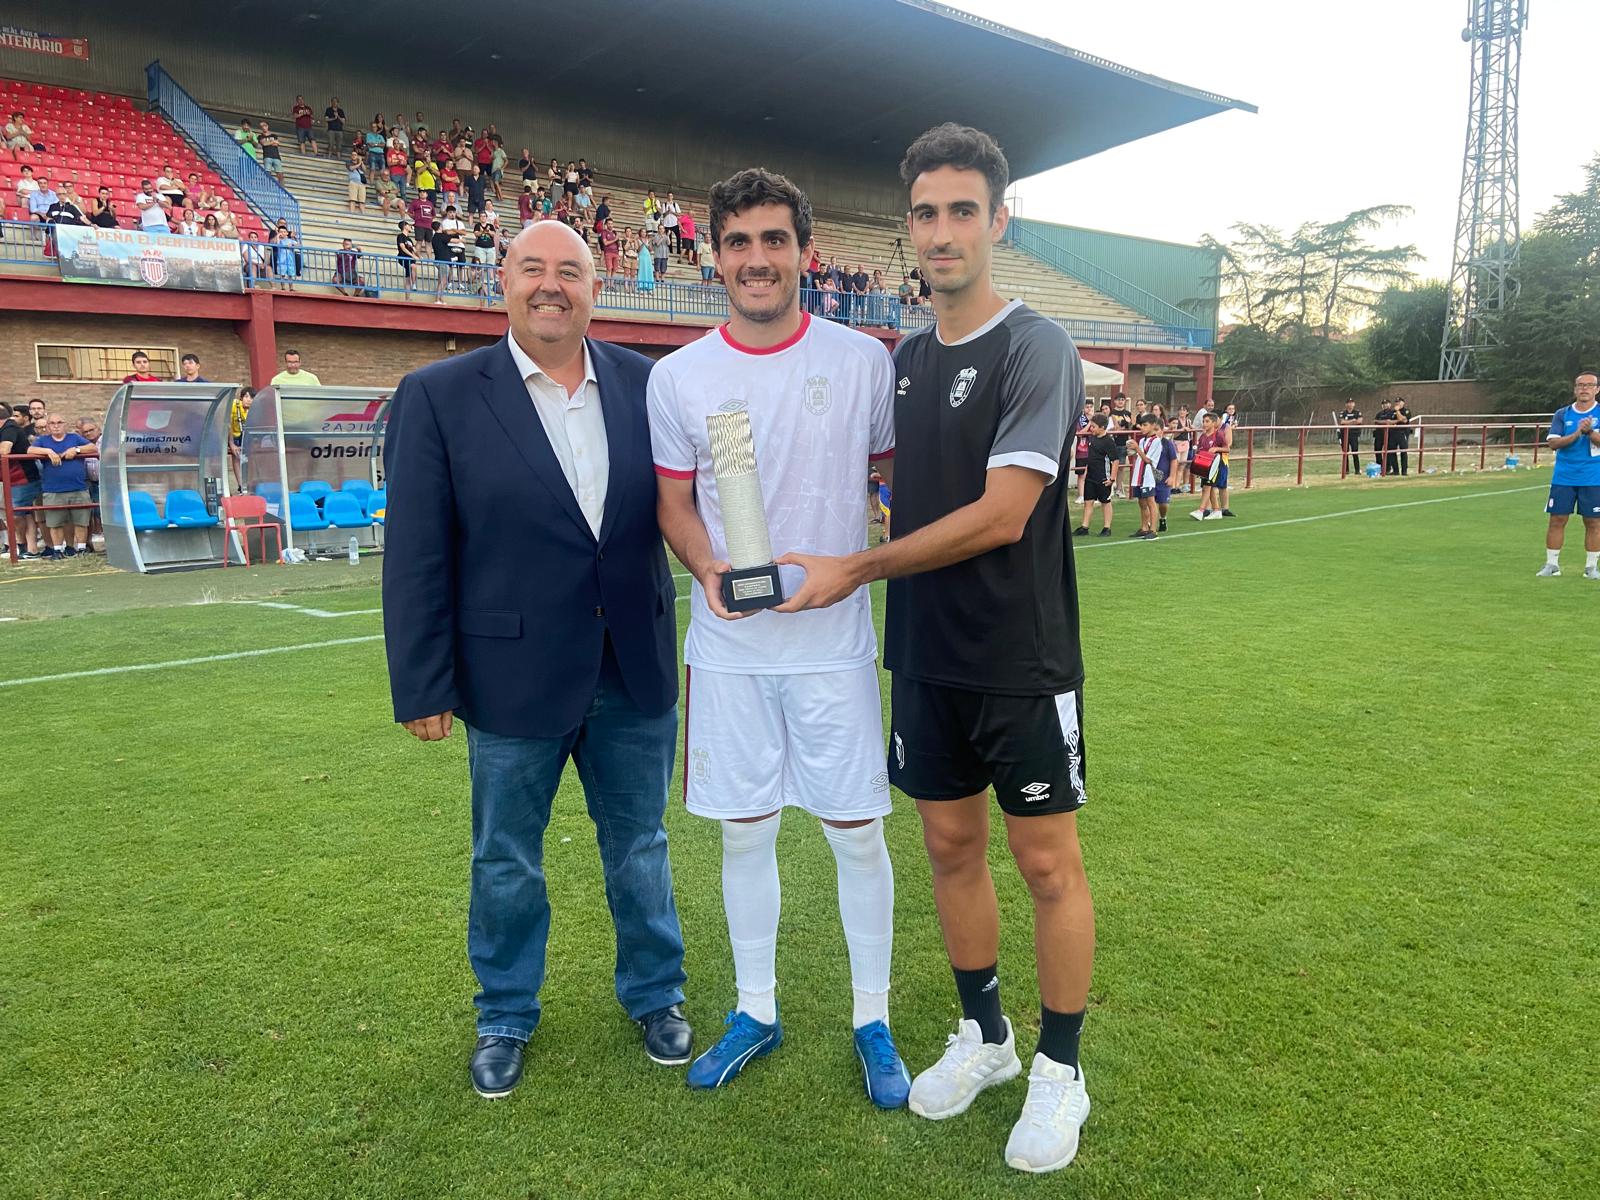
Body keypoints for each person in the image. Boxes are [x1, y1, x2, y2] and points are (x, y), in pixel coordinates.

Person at [772, 124, 1095, 1174]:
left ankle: (1059, 1071)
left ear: (998, 222)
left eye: (964, 210)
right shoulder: (902, 361)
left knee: (1045, 864)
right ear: (905, 228)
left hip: (1021, 658)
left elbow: (1004, 514)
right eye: (925, 212)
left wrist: (854, 568)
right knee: (950, 851)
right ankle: (986, 1040)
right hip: (924, 658)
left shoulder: (1035, 346)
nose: (942, 230)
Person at [382, 220, 691, 1099]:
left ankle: (656, 993)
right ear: (503, 282)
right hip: (510, 673)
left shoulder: (647, 383)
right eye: (533, 270)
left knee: (641, 846)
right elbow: (416, 552)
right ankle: (505, 1012)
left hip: (632, 664)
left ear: (597, 288)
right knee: (506, 857)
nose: (552, 285)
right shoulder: (439, 393)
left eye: (571, 271)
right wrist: (423, 680)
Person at [647, 167, 908, 1107]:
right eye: (738, 242)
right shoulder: (680, 377)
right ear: (714, 255)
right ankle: (755, 1010)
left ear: (804, 250)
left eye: (773, 240)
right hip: (731, 652)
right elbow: (676, 506)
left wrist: (883, 560)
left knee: (857, 837)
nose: (756, 259)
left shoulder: (863, 359)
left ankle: (870, 1018)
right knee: (745, 835)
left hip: (835, 645)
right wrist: (707, 568)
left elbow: (892, 485)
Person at [1537, 371, 1600, 579]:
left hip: (1593, 477)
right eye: (1580, 385)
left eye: (1589, 385)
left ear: (1596, 390)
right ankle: (1551, 564)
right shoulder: (1562, 414)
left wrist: (1590, 432)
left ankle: (1591, 568)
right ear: (1575, 389)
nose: (1584, 389)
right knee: (1557, 519)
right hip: (1564, 476)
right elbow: (1553, 443)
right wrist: (1577, 434)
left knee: (1593, 522)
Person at [28, 413, 96, 559]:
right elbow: (30, 450)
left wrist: (76, 450)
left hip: (78, 487)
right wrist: (48, 451)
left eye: (59, 422)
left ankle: (81, 549)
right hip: (53, 489)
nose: (56, 425)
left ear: (65, 424)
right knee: (55, 522)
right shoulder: (43, 440)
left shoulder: (74, 438)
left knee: (81, 521)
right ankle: (58, 550)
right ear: (48, 426)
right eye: (52, 423)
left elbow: (92, 447)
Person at [0, 402, 42, 559]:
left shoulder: (10, 428)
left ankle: (26, 547)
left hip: (23, 478)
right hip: (12, 479)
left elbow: (4, 450)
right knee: (23, 512)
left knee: (19, 513)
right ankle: (28, 548)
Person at [1074, 413, 1116, 537]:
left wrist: (1112, 478)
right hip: (1091, 476)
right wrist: (1087, 471)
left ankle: (1107, 527)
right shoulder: (1092, 439)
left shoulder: (1109, 441)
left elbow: (1115, 460)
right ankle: (1084, 526)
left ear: (1102, 427)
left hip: (1103, 477)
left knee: (1105, 501)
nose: (1091, 429)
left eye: (1093, 426)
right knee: (1088, 501)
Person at [1126, 413, 1165, 539]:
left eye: (1145, 425)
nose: (1142, 428)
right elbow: (1139, 456)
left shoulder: (1157, 441)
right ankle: (1144, 528)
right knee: (1141, 502)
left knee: (1150, 502)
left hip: (1148, 476)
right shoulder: (1142, 440)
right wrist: (1132, 450)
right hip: (1138, 474)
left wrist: (1137, 449)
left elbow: (1149, 460)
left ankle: (1153, 530)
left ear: (1153, 426)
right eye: (1141, 425)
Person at [1190, 409, 1227, 519]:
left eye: (1207, 421)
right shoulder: (1202, 436)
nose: (1204, 424)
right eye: (1203, 421)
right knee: (1208, 487)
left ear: (1214, 423)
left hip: (1215, 465)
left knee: (1207, 487)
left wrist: (1217, 448)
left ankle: (1201, 510)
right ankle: (1216, 510)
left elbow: (1227, 448)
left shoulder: (1218, 435)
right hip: (1204, 465)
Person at [228, 387, 254, 490]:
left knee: (248, 457)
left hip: (246, 435)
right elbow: (227, 424)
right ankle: (240, 485)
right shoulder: (234, 406)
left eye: (251, 398)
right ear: (241, 398)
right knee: (236, 457)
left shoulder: (254, 409)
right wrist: (231, 443)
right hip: (233, 434)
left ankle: (248, 483)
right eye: (246, 397)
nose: (249, 400)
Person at [1338, 399, 1363, 476]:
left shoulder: (1357, 412)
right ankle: (1346, 470)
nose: (1350, 404)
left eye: (1351, 403)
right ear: (1346, 404)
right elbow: (1342, 422)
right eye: (1348, 403)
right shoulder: (1343, 413)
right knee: (1345, 453)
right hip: (1344, 435)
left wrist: (1348, 422)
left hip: (1354, 434)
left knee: (1355, 452)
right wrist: (1353, 421)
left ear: (1354, 404)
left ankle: (1357, 470)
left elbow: (1359, 421)